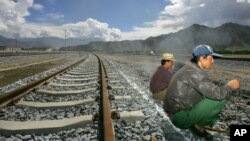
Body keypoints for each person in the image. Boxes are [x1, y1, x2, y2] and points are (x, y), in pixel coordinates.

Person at [163, 45, 240, 140]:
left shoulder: (190, 68)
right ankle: (199, 126)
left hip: (173, 112)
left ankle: (196, 123)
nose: (213, 61)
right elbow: (218, 93)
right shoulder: (194, 73)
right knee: (220, 98)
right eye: (211, 58)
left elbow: (207, 89)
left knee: (208, 95)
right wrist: (230, 86)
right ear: (201, 58)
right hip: (179, 118)